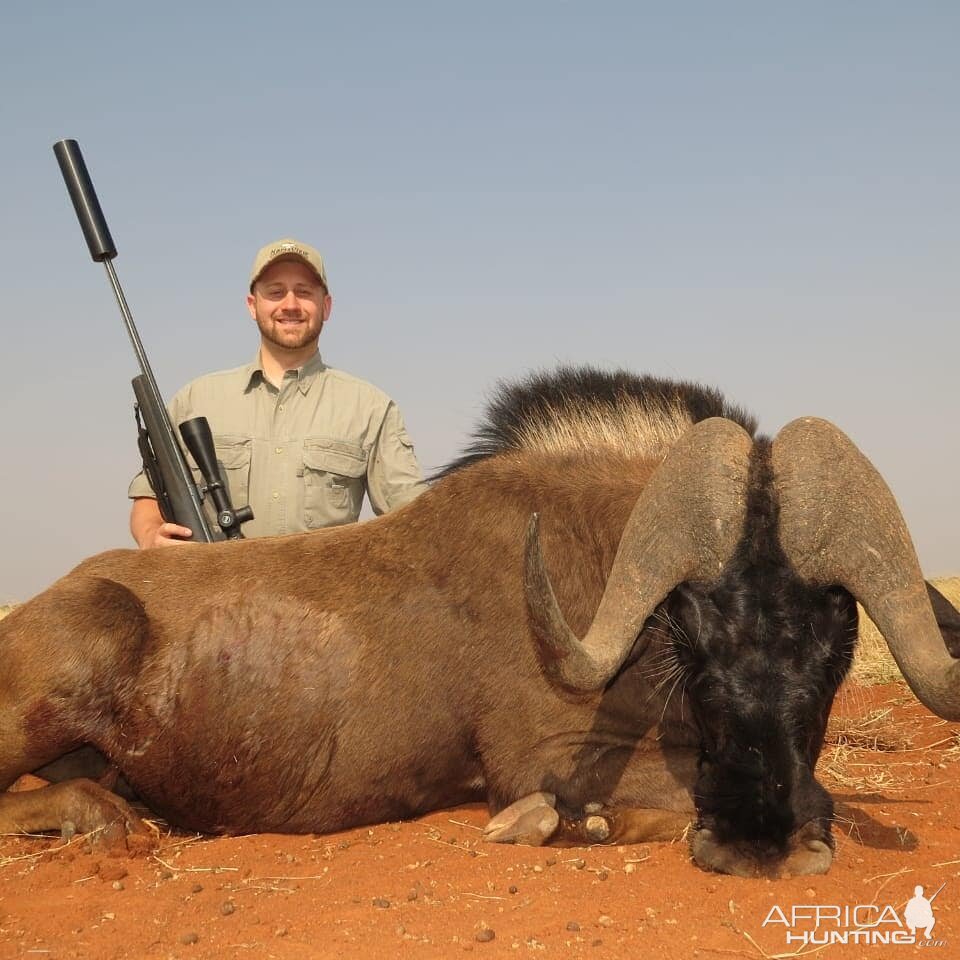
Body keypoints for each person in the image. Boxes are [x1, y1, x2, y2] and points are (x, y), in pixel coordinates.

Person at [129, 238, 427, 548]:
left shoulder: (371, 408)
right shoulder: (195, 399)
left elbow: (416, 519)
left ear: (325, 306)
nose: (290, 305)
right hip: (214, 591)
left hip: (321, 594)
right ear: (252, 305)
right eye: (275, 292)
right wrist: (152, 536)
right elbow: (147, 501)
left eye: (304, 292)